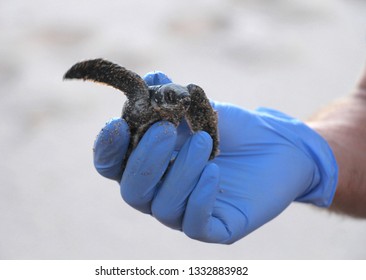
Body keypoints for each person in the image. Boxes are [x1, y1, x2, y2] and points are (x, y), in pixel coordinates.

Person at [92, 65, 366, 244]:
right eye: (179, 100)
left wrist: (314, 160)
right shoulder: (143, 94)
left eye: (186, 101)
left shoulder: (189, 98)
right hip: (136, 136)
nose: (185, 102)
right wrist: (325, 149)